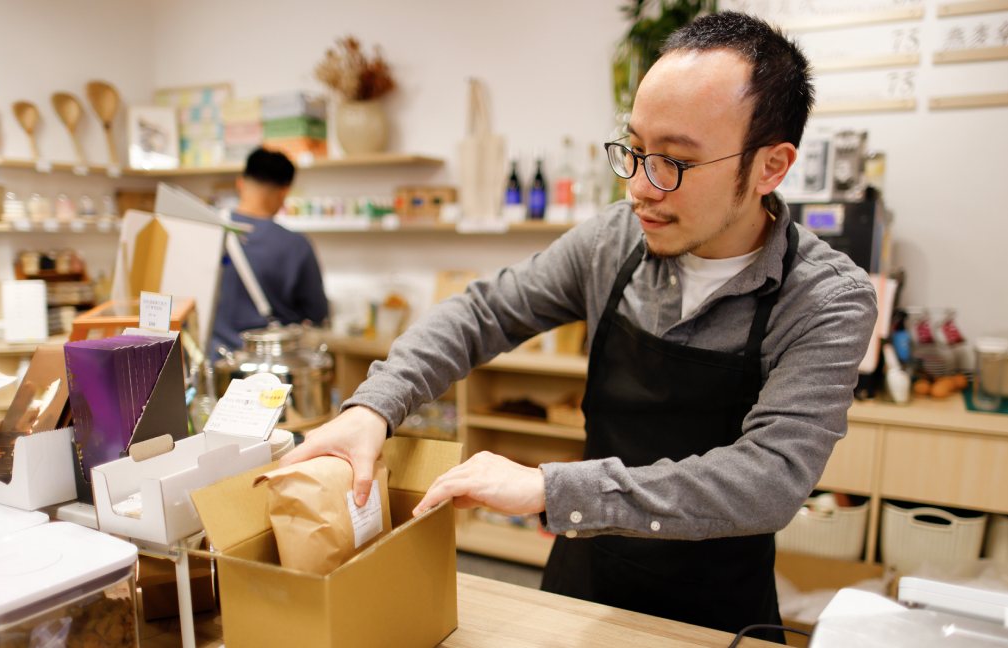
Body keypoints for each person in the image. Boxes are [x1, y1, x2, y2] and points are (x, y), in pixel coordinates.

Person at [282, 12, 876, 642]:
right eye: (636, 150)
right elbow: (482, 311)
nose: (641, 188)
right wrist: (372, 407)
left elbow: (769, 478)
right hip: (584, 577)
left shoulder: (827, 299)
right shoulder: (613, 242)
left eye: (673, 162)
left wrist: (549, 485)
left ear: (769, 167)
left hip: (715, 604)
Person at [208, 147, 329, 359]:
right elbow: (317, 313)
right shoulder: (296, 245)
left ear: (240, 183)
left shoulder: (207, 231)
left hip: (217, 362)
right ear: (284, 191)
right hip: (269, 370)